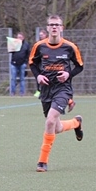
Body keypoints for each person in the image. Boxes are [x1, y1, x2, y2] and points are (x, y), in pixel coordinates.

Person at [29, 15, 84, 172]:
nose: (54, 27)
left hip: (63, 89)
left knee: (50, 121)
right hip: (46, 90)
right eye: (51, 24)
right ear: (47, 28)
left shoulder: (70, 47)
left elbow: (80, 66)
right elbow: (32, 63)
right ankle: (76, 123)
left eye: (57, 25)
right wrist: (38, 76)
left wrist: (68, 74)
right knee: (56, 127)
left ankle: (42, 162)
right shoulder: (39, 46)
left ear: (61, 28)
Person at [33, 29, 48, 97]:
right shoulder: (38, 44)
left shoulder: (49, 43)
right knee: (39, 76)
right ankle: (39, 90)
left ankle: (45, 91)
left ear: (45, 35)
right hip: (39, 63)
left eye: (42, 35)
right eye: (40, 35)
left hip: (47, 63)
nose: (40, 36)